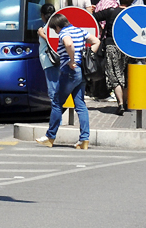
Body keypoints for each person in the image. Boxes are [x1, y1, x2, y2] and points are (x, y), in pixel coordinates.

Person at [37, 12, 100, 149]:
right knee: (81, 105)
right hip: (81, 71)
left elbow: (68, 43)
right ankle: (84, 139)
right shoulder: (80, 30)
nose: (56, 31)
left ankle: (50, 136)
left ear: (58, 26)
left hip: (70, 71)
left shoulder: (64, 32)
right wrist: (88, 56)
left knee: (57, 103)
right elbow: (96, 41)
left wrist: (72, 60)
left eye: (55, 29)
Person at [93, 0, 135, 114]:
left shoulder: (111, 11)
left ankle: (120, 103)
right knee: (126, 74)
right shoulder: (133, 13)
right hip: (128, 47)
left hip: (111, 45)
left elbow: (93, 18)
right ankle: (127, 103)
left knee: (114, 74)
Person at [37, 3, 60, 102]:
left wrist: (42, 35)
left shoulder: (49, 27)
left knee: (53, 91)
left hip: (50, 61)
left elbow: (55, 42)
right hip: (49, 61)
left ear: (43, 15)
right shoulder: (51, 26)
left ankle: (56, 116)